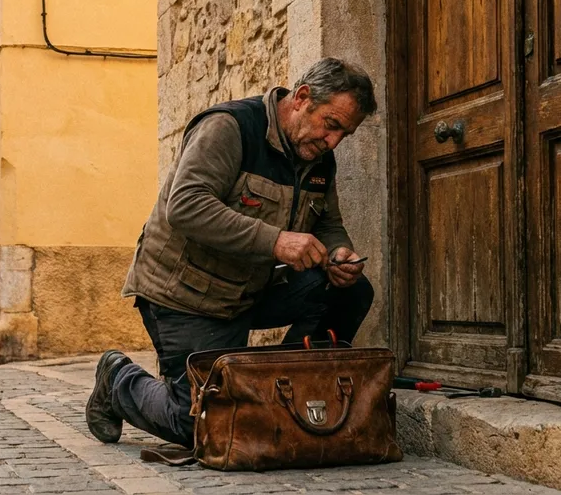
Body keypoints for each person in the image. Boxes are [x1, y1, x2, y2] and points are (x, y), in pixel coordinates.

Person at [87, 57, 377, 447]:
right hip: (186, 297)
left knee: (350, 291)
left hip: (251, 291)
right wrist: (277, 241)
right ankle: (118, 379)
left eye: (345, 134)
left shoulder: (318, 155)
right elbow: (186, 205)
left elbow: (327, 222)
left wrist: (340, 252)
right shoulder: (229, 128)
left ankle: (286, 391)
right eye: (332, 124)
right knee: (203, 427)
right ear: (302, 98)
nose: (334, 141)